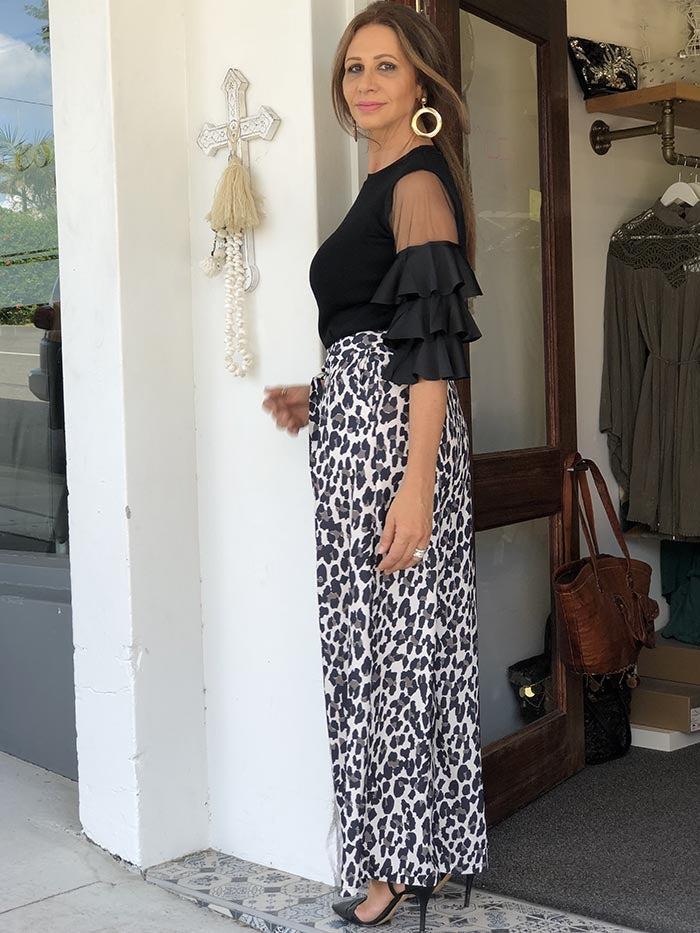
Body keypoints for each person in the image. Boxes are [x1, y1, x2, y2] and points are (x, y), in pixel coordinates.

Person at [262, 3, 488, 930]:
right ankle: (415, 849)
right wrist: (320, 396)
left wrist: (418, 487)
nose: (364, 82)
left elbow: (430, 353)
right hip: (359, 433)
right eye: (354, 66)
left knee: (391, 655)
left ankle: (394, 867)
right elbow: (376, 335)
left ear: (421, 81)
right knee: (379, 648)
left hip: (395, 451)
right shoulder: (383, 180)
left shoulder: (418, 183)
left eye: (385, 66)